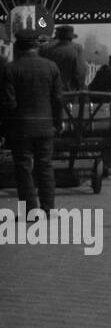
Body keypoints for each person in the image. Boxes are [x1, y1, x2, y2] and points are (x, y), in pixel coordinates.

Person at [0, 28, 63, 218]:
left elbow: (8, 104)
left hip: (21, 128)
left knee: (23, 168)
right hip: (45, 126)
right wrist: (58, 123)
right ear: (37, 46)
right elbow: (58, 100)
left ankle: (30, 211)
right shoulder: (51, 67)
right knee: (45, 166)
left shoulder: (10, 69)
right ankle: (49, 209)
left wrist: (6, 128)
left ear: (18, 46)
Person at [40, 24, 86, 92]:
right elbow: (80, 73)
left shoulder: (46, 48)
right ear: (71, 37)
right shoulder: (77, 49)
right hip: (68, 91)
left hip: (48, 90)